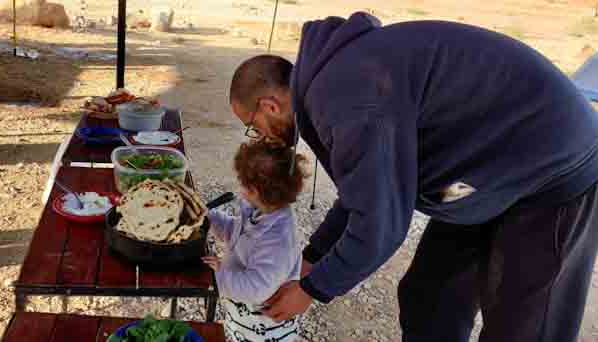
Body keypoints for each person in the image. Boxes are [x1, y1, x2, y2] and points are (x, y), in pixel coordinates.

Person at [227, 12, 598, 342]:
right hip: (483, 166)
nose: (261, 137)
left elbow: (379, 226)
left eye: (253, 127)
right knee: (430, 296)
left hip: (552, 166)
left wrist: (311, 289)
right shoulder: (335, 85)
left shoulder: (350, 100)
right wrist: (314, 256)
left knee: (524, 325)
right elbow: (364, 192)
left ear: (268, 106)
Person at [202, 140, 306, 342]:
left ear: (254, 191)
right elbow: (237, 233)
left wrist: (220, 275)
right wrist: (210, 218)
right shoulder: (261, 209)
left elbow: (255, 288)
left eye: (242, 183)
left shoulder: (278, 241)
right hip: (242, 315)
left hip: (262, 327)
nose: (239, 187)